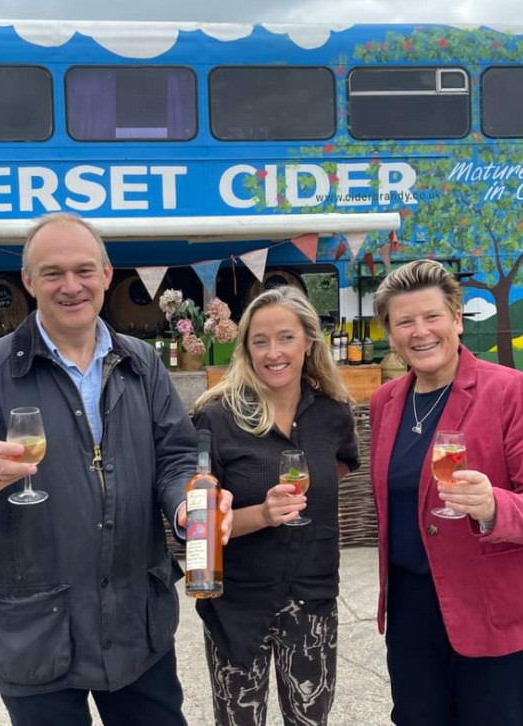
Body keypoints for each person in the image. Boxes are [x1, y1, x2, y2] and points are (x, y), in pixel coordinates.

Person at [0, 213, 233, 726]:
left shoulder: (142, 363)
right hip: (33, 631)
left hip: (135, 623)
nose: (70, 286)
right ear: (29, 282)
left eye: (83, 270)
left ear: (106, 273)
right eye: (52, 273)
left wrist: (187, 506)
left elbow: (176, 458)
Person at [368, 259, 523, 725]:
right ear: (390, 333)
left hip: (497, 606)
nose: (420, 332)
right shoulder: (385, 402)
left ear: (457, 320)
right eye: (404, 321)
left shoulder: (512, 392)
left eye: (432, 317)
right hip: (413, 611)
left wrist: (494, 507)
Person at [192, 286, 359, 726]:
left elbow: (339, 467)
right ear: (245, 348)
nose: (273, 352)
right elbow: (199, 528)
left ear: (308, 342)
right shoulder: (216, 417)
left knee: (311, 721)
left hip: (312, 597)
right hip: (238, 606)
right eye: (259, 341)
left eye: (285, 337)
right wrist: (263, 515)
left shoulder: (333, 412)